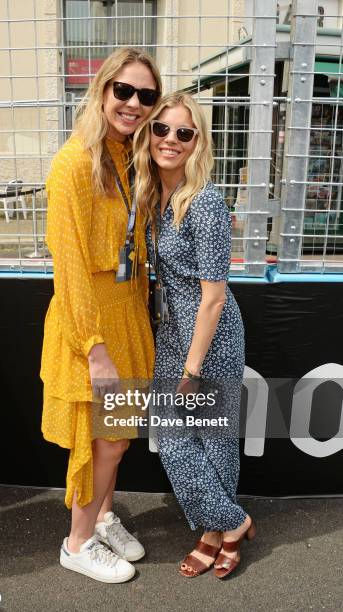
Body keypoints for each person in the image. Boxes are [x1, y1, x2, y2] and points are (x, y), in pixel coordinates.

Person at [40, 47, 161, 583]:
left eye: (147, 96)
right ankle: (78, 541)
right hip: (87, 320)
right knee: (102, 440)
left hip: (126, 309)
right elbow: (67, 270)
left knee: (119, 434)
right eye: (125, 91)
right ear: (103, 90)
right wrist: (95, 349)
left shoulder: (125, 156)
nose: (134, 103)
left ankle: (105, 518)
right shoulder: (72, 164)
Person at [134, 92, 256, 579]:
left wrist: (192, 367)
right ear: (150, 134)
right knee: (173, 434)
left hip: (212, 332)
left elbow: (214, 297)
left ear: (197, 142)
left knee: (213, 439)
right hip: (173, 328)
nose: (170, 140)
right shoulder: (150, 193)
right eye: (161, 129)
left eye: (184, 132)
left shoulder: (204, 201)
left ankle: (212, 534)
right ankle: (235, 521)